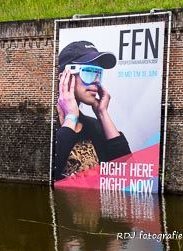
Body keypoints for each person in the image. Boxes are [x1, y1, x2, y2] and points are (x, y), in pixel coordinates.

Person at [53, 41, 131, 181]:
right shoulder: (45, 127)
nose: (96, 80)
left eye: (98, 73)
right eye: (88, 72)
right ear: (64, 77)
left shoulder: (93, 126)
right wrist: (71, 117)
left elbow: (124, 168)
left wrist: (102, 113)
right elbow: (48, 172)